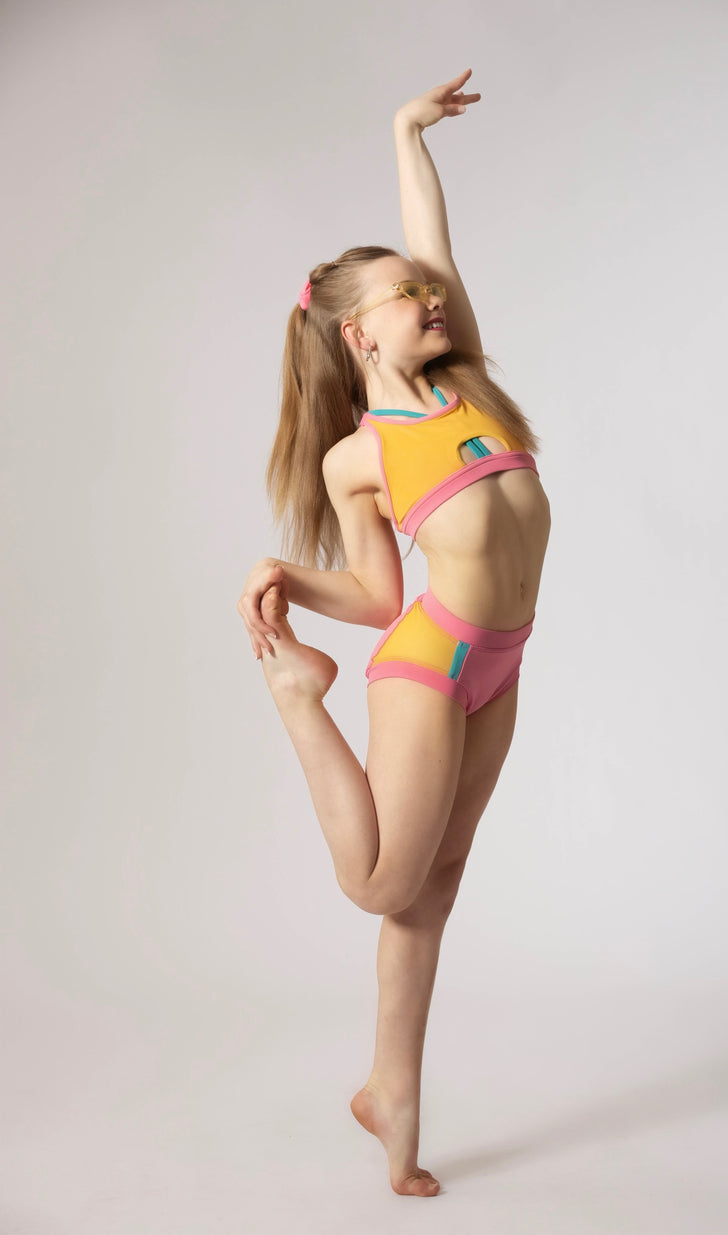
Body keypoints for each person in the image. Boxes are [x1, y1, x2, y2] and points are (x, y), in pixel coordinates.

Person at [236, 68, 551, 1198]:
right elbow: (378, 598)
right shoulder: (358, 456)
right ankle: (297, 699)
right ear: (358, 332)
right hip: (427, 663)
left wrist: (407, 132)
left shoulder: (469, 388)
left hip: (501, 662)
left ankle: (391, 1098)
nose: (428, 296)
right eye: (404, 295)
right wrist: (287, 573)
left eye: (428, 290)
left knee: (436, 884)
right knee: (380, 885)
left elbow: (435, 245)